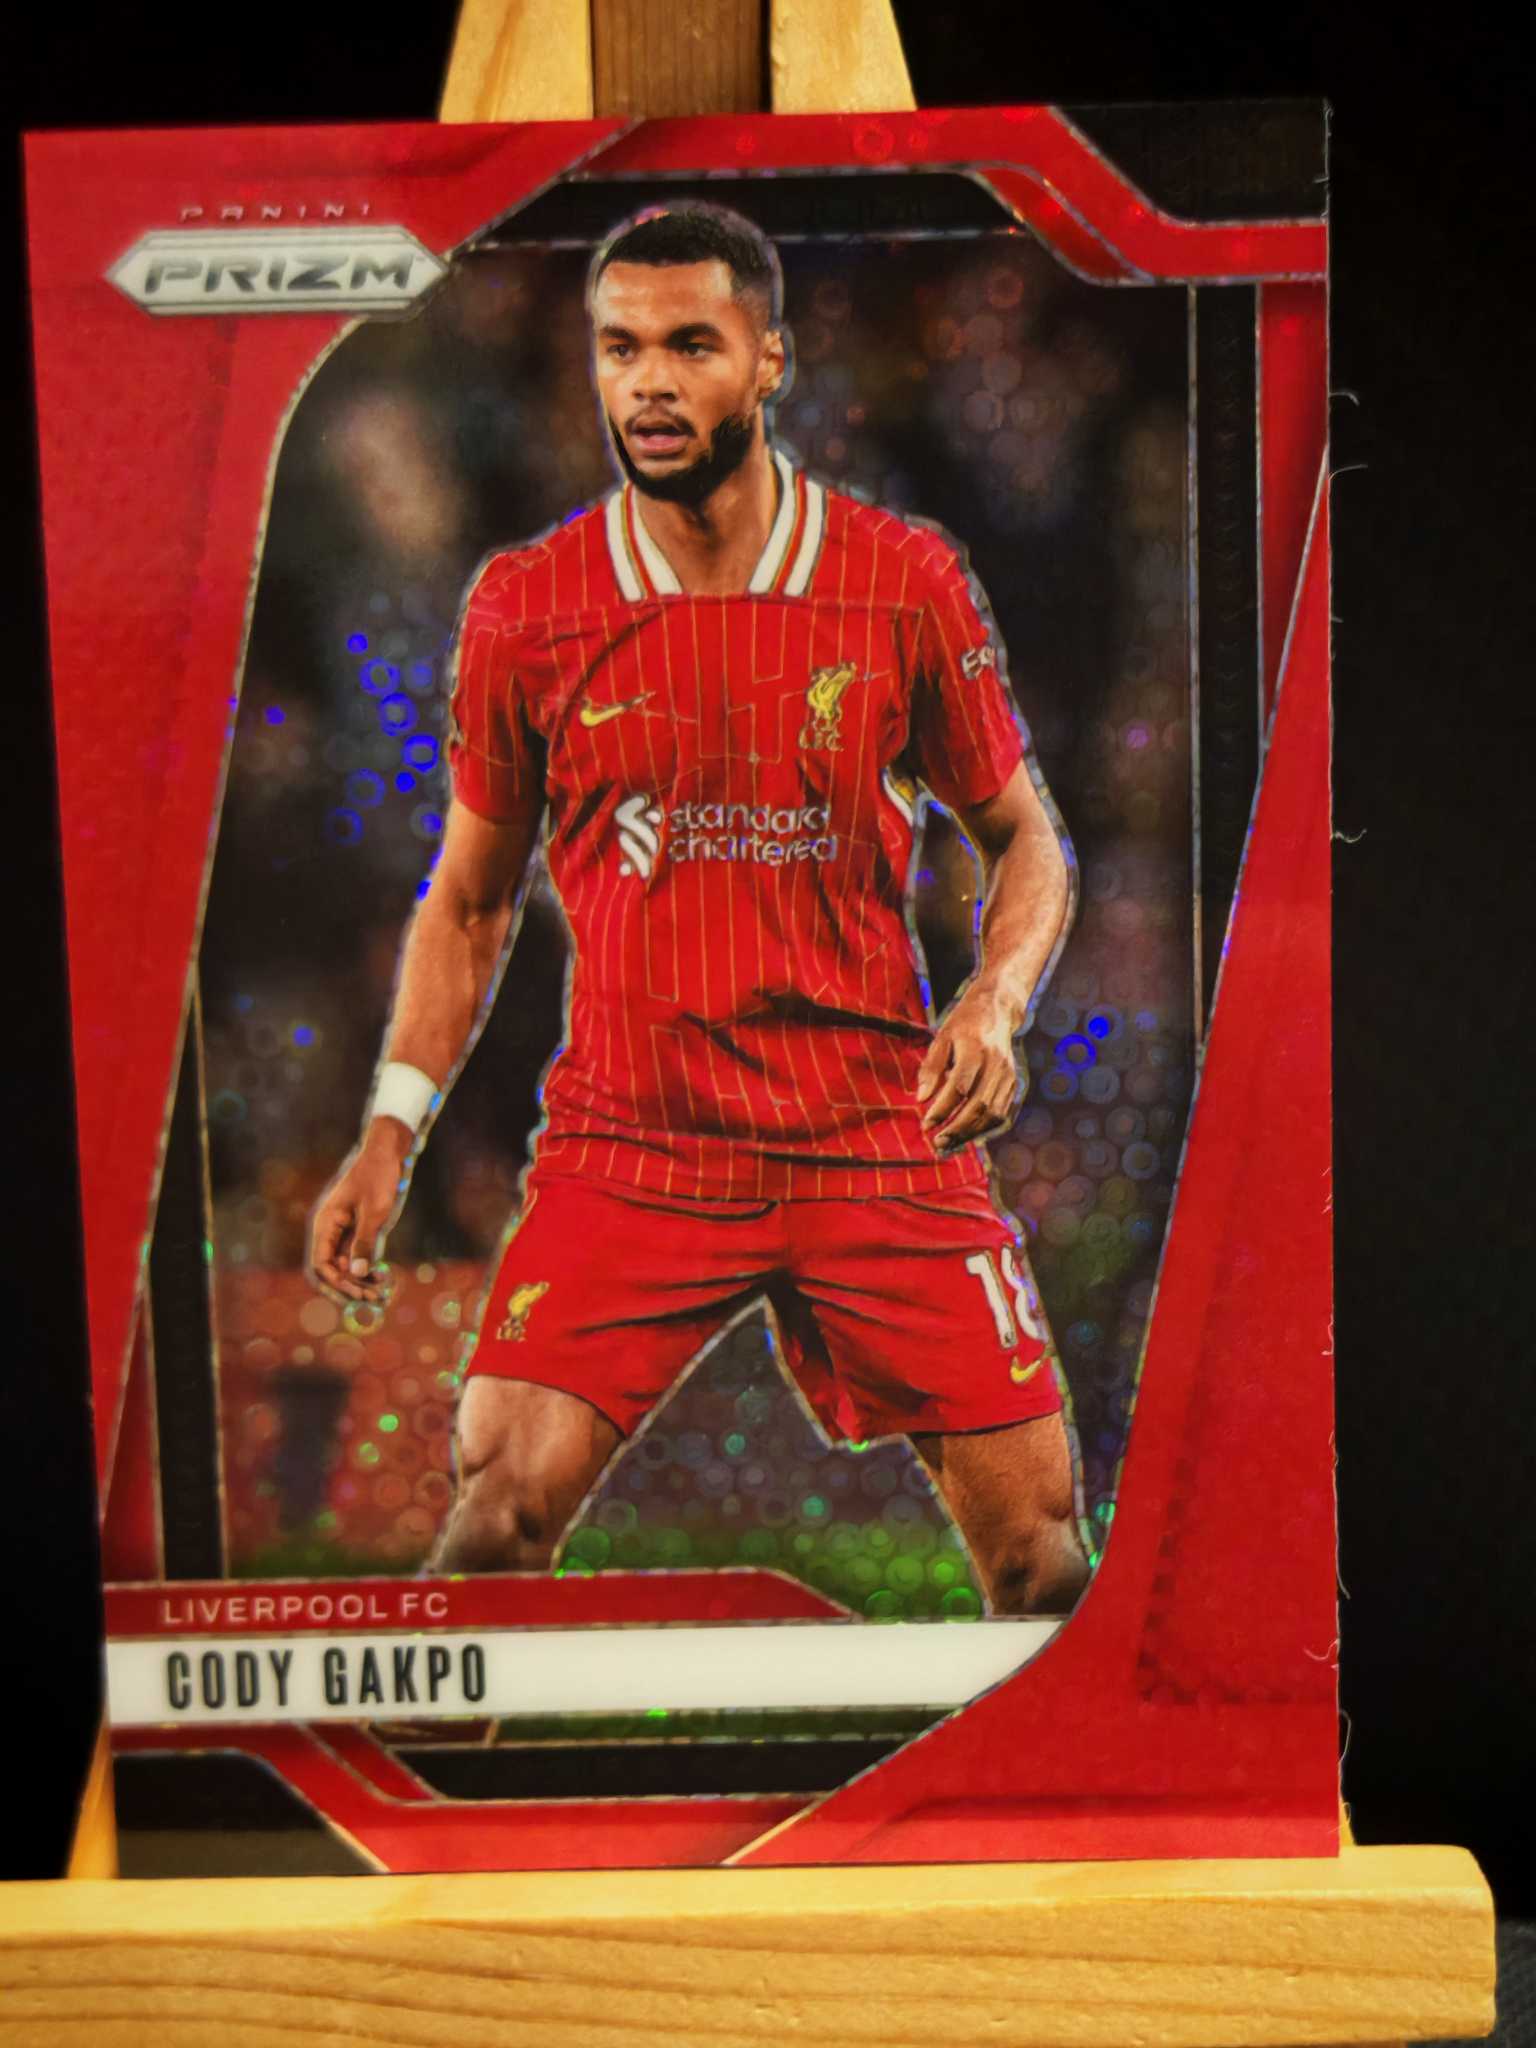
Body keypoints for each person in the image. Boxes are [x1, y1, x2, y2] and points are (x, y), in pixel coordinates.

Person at [309, 203, 1090, 1616]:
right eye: (620, 350)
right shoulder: (527, 607)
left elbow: (1025, 836)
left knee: (1042, 1558)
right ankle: (427, 1777)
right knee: (494, 1511)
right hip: (635, 1142)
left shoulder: (901, 580)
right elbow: (469, 902)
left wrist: (994, 999)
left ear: (771, 360)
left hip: (870, 1131)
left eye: (689, 345)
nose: (650, 383)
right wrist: (388, 1129)